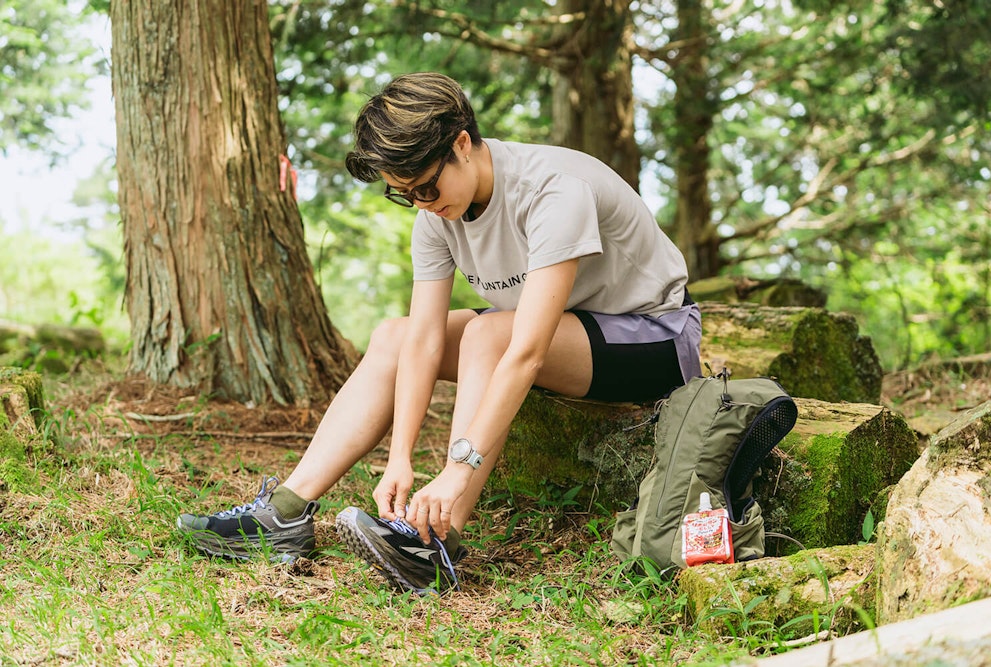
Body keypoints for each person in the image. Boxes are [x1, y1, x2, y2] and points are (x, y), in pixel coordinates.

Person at [176, 72, 702, 596]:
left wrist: (457, 468)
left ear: (463, 144)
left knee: (488, 335)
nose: (423, 203)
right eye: (404, 195)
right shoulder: (435, 216)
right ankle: (286, 512)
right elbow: (423, 340)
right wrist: (399, 456)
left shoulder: (552, 190)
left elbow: (524, 353)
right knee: (392, 335)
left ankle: (438, 541)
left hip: (655, 336)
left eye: (427, 186)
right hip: (568, 332)